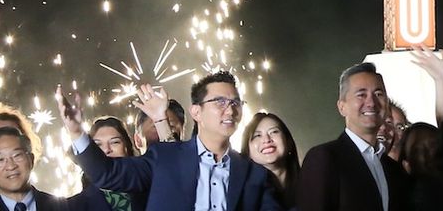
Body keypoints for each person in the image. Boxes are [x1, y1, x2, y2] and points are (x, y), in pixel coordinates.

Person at [67, 73, 282, 211]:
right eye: (220, 102)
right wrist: (77, 132)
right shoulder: (164, 158)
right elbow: (108, 173)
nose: (231, 109)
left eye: (236, 102)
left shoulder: (254, 175)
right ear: (196, 111)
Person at [299, 61, 414, 211]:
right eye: (361, 95)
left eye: (378, 94)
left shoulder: (393, 169)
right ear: (342, 107)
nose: (371, 103)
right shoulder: (324, 158)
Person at [0, 124, 100, 210]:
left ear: (31, 160)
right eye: (0, 160)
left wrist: (77, 134)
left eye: (17, 155)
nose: (10, 165)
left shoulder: (63, 207)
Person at [244, 110, 304, 207]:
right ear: (247, 149)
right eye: (257, 135)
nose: (267, 140)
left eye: (274, 132)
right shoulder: (243, 194)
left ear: (288, 142)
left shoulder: (311, 183)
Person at [87, 115, 146, 211]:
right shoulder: (79, 204)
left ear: (127, 147)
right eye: (98, 145)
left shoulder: (150, 189)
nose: (106, 150)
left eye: (114, 142)